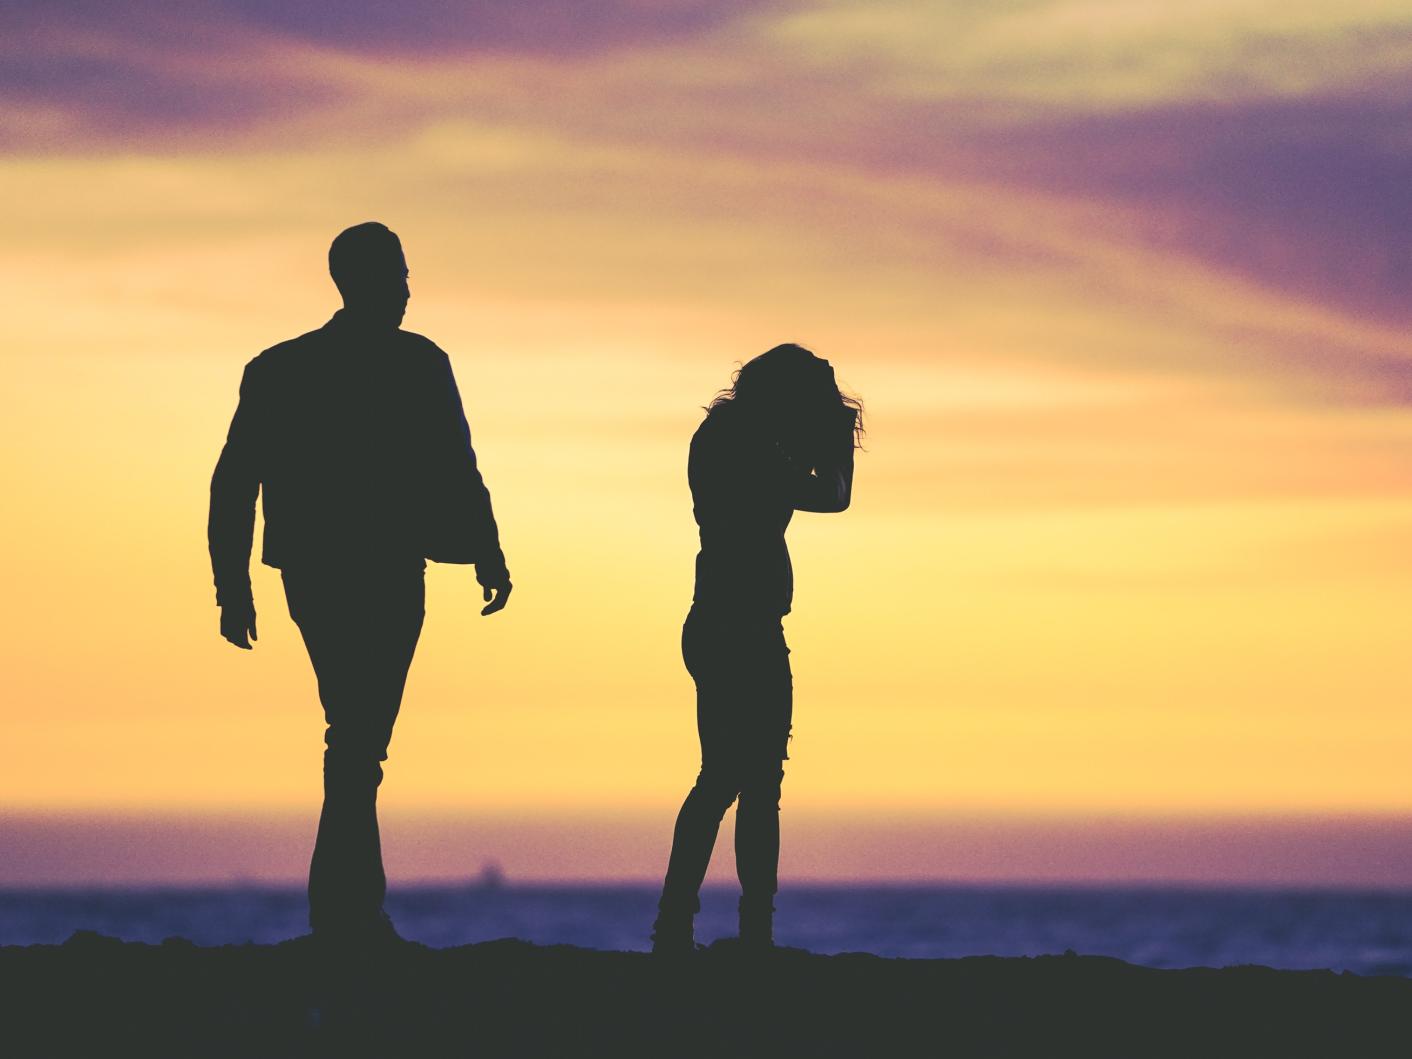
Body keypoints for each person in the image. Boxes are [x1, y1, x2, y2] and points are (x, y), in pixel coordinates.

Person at [207, 222, 512, 945]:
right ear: (364, 281)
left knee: (355, 738)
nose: (409, 289)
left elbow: (455, 463)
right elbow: (237, 478)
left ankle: (346, 913)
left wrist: (487, 551)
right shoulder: (398, 363)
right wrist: (230, 584)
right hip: (368, 567)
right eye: (400, 275)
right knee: (357, 739)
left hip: (343, 568)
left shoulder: (291, 366)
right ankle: (347, 915)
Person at [652, 343, 862, 953]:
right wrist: (839, 440)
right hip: (738, 626)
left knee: (731, 780)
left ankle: (692, 925)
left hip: (726, 621)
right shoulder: (750, 445)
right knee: (737, 781)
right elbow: (835, 495)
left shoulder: (727, 435)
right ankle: (734, 930)